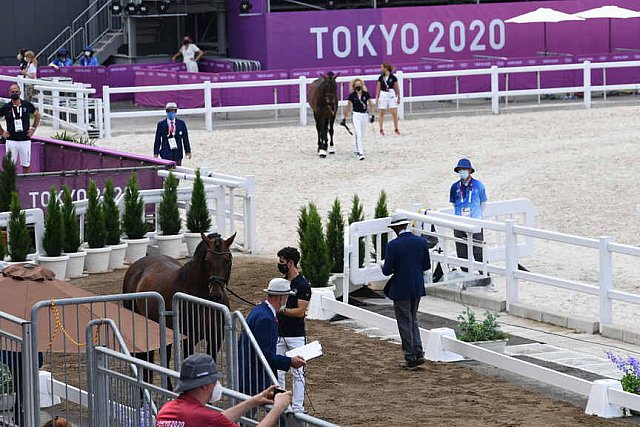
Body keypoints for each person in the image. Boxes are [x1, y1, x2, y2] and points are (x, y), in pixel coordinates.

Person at [156, 353, 292, 427]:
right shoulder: (202, 416)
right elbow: (213, 420)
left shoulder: (167, 410)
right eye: (215, 381)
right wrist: (278, 408)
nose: (217, 385)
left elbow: (217, 421)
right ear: (204, 385)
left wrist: (253, 401)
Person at [239, 278, 306, 396]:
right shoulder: (266, 319)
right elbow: (266, 356)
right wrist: (290, 362)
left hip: (248, 373)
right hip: (254, 378)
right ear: (280, 298)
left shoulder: (259, 311)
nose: (287, 300)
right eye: (286, 297)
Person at [381, 213, 431, 370]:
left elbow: (387, 271)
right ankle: (418, 351)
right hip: (417, 286)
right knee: (413, 319)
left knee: (404, 321)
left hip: (401, 287)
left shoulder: (393, 245)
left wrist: (383, 266)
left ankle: (411, 356)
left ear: (396, 228)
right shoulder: (421, 242)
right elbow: (426, 266)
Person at [275, 247, 311, 413]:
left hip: (295, 335)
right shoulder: (282, 283)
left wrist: (282, 310)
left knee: (298, 373)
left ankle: (297, 408)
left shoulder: (302, 285)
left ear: (290, 263)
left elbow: (300, 311)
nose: (279, 265)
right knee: (278, 371)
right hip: (280, 334)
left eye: (282, 262)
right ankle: (280, 404)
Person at [449, 158, 490, 284]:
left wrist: (477, 216)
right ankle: (466, 276)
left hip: (475, 222)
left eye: (465, 169)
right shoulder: (455, 187)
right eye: (460, 170)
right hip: (459, 222)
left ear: (470, 171)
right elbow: (454, 204)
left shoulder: (478, 185)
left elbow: (483, 203)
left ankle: (485, 276)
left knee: (478, 250)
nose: (463, 172)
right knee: (462, 251)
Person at [0, 84, 41, 173]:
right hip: (11, 140)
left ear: (20, 92)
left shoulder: (27, 105)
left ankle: (27, 185)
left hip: (25, 140)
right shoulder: (6, 107)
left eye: (16, 91)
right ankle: (11, 186)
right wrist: (2, 132)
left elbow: (37, 115)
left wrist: (33, 129)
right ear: (9, 93)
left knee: (26, 165)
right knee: (10, 167)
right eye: (12, 92)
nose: (15, 93)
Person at [341, 78, 375, 161]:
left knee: (361, 135)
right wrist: (344, 118)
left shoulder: (366, 94)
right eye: (356, 85)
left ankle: (356, 150)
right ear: (354, 86)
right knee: (358, 134)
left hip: (365, 115)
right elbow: (348, 107)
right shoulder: (352, 96)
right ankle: (360, 153)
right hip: (356, 115)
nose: (358, 86)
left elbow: (371, 104)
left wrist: (372, 115)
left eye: (359, 85)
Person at [375, 62, 400, 136]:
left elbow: (397, 88)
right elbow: (378, 88)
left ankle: (396, 128)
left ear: (386, 68)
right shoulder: (380, 77)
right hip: (383, 94)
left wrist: (399, 97)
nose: (381, 69)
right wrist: (377, 96)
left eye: (382, 67)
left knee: (394, 113)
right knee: (381, 113)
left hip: (391, 93)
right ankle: (381, 129)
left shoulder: (393, 77)